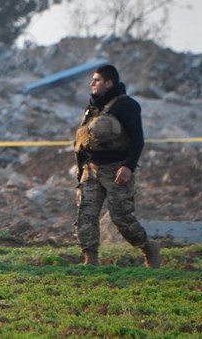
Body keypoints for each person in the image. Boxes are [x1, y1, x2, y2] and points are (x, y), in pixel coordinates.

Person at [73, 64, 161, 268]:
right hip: (92, 169)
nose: (92, 84)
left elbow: (138, 140)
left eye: (97, 80)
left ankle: (148, 247)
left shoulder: (127, 105)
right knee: (86, 214)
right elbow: (83, 139)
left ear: (109, 83)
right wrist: (81, 170)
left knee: (121, 218)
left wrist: (128, 167)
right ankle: (90, 260)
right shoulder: (92, 108)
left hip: (116, 170)